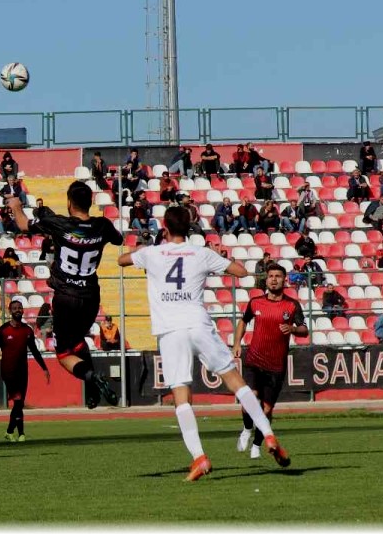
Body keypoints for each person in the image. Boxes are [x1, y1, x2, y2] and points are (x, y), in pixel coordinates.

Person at [117, 206, 291, 481]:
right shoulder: (201, 253)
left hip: (170, 331)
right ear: (191, 227)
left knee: (181, 397)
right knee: (236, 382)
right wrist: (220, 259)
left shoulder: (152, 253)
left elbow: (121, 260)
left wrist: (147, 248)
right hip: (198, 323)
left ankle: (200, 457)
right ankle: (268, 436)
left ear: (165, 227)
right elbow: (242, 271)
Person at [6, 181, 122, 409]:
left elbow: (23, 225)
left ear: (69, 202)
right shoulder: (102, 225)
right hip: (90, 298)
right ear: (90, 202)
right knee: (78, 343)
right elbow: (118, 239)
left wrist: (16, 206)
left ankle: (90, 377)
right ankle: (91, 388)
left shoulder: (59, 223)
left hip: (66, 297)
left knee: (63, 354)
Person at [231, 264, 308, 460]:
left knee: (266, 409)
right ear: (266, 280)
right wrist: (237, 343)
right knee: (250, 400)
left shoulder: (292, 305)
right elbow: (243, 321)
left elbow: (304, 330)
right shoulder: (255, 302)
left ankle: (257, 444)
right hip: (254, 359)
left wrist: (292, 329)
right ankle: (247, 429)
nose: (274, 279)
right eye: (271, 276)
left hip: (276, 366)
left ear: (284, 280)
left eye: (278, 276)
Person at [0, 299, 50, 442]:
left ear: (23, 310)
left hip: (23, 372)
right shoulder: (3, 331)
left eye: (20, 308)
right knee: (18, 401)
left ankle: (10, 431)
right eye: (15, 308)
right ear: (10, 311)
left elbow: (35, 351)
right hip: (8, 372)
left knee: (19, 403)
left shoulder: (27, 331)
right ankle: (22, 434)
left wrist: (44, 368)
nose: (18, 310)